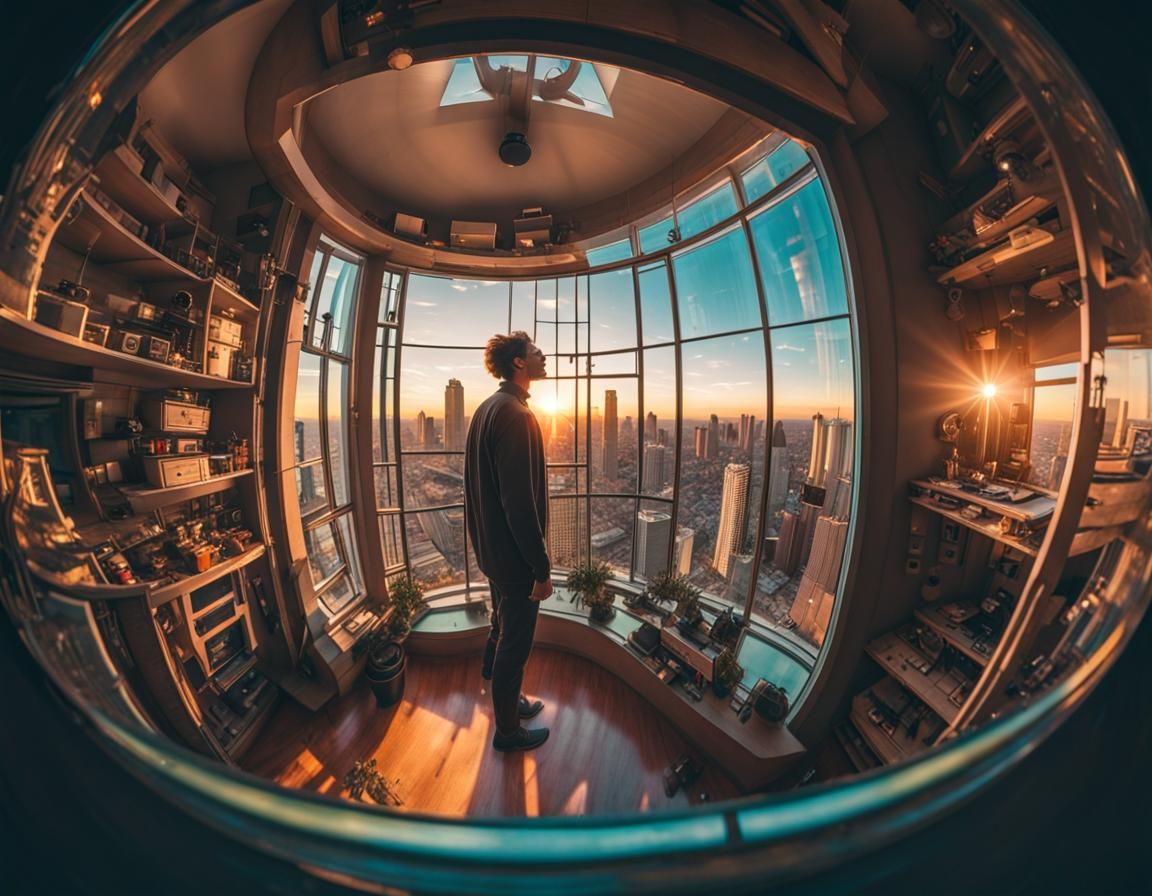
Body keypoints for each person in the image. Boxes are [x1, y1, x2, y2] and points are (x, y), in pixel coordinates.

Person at [464, 331, 553, 752]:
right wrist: (541, 569)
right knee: (515, 645)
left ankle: (507, 695)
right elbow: (520, 503)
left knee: (502, 629)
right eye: (535, 351)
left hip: (493, 553)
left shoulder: (487, 408)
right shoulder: (515, 416)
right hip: (516, 562)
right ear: (519, 363)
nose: (542, 355)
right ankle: (507, 730)